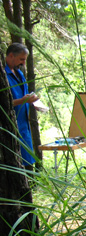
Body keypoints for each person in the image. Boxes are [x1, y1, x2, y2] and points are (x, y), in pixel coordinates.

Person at [5, 43, 38, 171]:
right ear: (11, 56)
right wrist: (21, 101)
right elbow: (4, 103)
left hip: (24, 126)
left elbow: (24, 95)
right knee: (17, 165)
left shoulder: (19, 73)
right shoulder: (3, 75)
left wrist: (32, 100)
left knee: (28, 162)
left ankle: (32, 188)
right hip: (11, 127)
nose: (23, 63)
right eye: (21, 59)